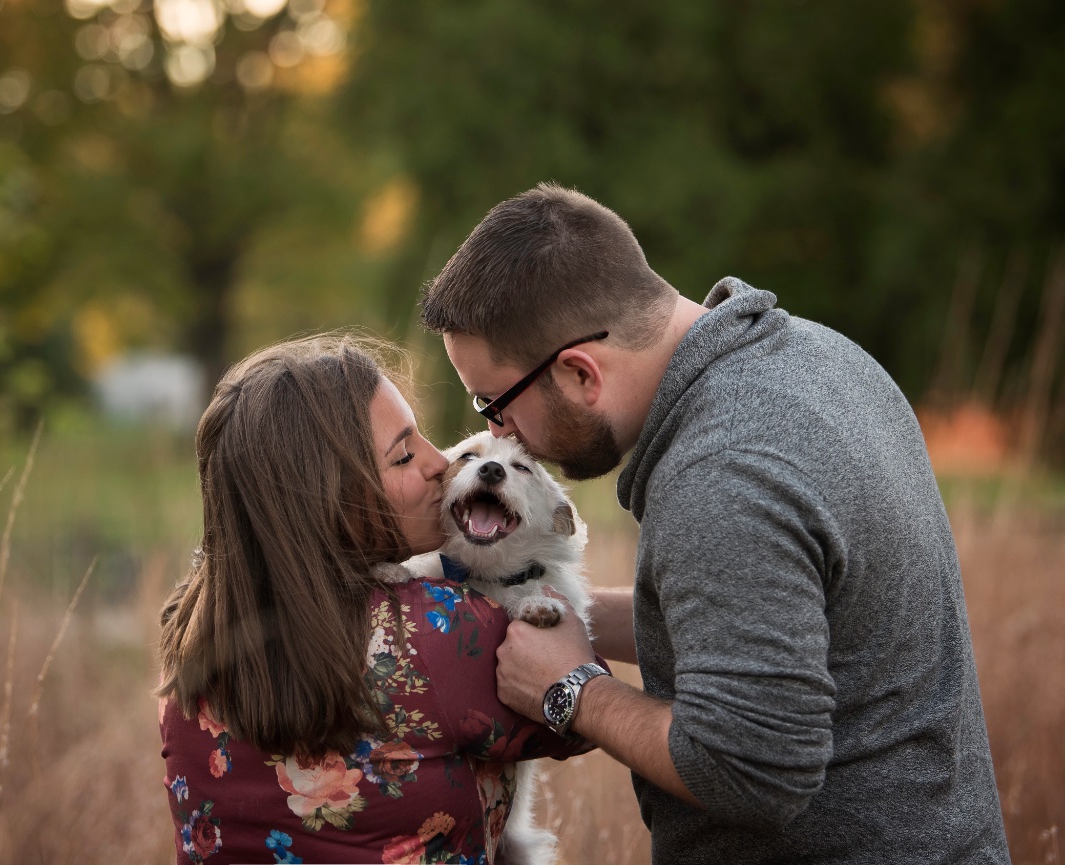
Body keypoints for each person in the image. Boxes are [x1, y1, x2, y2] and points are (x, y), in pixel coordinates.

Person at [420, 183, 1012, 864]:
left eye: (495, 401)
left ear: (581, 372)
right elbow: (774, 618)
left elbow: (752, 770)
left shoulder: (722, 474)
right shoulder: (819, 356)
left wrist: (572, 689)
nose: (497, 432)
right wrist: (546, 611)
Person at [156, 334, 590, 865]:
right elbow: (577, 724)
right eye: (405, 454)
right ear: (330, 496)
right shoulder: (443, 634)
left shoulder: (193, 629)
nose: (441, 464)